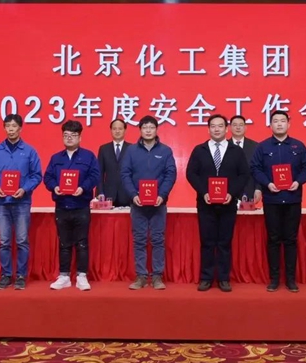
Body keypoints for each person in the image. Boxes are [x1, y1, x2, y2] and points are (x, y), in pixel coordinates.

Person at [250, 111, 306, 293]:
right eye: (275, 121)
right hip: (272, 200)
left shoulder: (298, 146)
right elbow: (254, 168)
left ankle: (291, 279)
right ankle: (274, 279)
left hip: (293, 199)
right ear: (270, 125)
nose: (279, 124)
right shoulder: (262, 147)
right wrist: (267, 183)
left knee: (291, 240)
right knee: (273, 239)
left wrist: (298, 182)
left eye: (282, 121)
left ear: (288, 124)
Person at [186, 114, 249, 292]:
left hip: (228, 204)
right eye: (213, 126)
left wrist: (232, 193)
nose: (216, 129)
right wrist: (204, 192)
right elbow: (191, 174)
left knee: (224, 242)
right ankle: (206, 278)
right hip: (205, 204)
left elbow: (244, 174)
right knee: (207, 242)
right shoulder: (200, 150)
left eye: (220, 126)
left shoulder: (236, 151)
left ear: (226, 129)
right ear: (208, 129)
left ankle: (223, 278)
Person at [0, 114, 42, 291]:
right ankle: (6, 275)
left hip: (22, 202)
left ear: (20, 128)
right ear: (4, 128)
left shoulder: (29, 151)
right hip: (2, 202)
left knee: (22, 240)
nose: (10, 129)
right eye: (7, 126)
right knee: (4, 241)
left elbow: (36, 175)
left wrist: (24, 189)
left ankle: (21, 275)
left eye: (14, 126)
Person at [120, 115, 177, 290]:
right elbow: (125, 174)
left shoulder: (165, 151)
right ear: (140, 130)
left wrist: (162, 194)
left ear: (156, 130)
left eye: (151, 127)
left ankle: (158, 276)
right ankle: (141, 276)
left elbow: (170, 174)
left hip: (158, 204)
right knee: (139, 240)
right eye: (145, 127)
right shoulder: (131, 151)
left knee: (158, 240)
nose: (148, 130)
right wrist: (133, 194)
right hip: (138, 203)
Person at [44, 120, 100, 291]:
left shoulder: (88, 156)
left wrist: (83, 187)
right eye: (66, 135)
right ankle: (64, 276)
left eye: (73, 135)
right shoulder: (56, 158)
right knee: (64, 243)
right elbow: (48, 177)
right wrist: (54, 187)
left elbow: (95, 176)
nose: (69, 138)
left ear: (80, 137)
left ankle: (82, 276)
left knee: (82, 242)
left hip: (81, 205)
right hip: (62, 206)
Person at [96, 119, 131, 206]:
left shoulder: (132, 149)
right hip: (108, 195)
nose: (117, 131)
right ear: (111, 130)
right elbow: (99, 173)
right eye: (114, 129)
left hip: (127, 194)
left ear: (125, 130)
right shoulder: (104, 149)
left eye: (120, 129)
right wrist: (100, 192)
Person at [229, 115, 262, 204]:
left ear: (245, 127)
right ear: (230, 127)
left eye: (241, 125)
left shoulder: (255, 146)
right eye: (235, 125)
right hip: (228, 193)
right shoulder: (224, 146)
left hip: (250, 192)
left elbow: (259, 169)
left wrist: (258, 189)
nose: (238, 127)